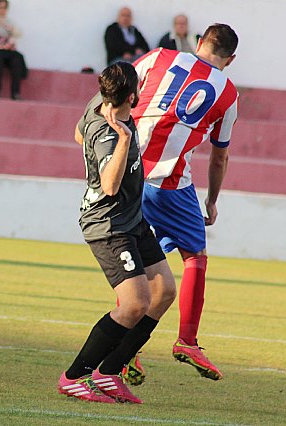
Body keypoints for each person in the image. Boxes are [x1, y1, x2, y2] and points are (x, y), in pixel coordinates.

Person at [58, 62, 176, 404]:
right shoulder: (113, 133)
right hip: (108, 226)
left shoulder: (100, 100)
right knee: (135, 303)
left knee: (164, 291)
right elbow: (109, 186)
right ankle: (74, 377)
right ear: (133, 95)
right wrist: (123, 138)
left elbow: (79, 134)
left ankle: (109, 372)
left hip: (132, 219)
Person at [131, 23, 239, 381]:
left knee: (146, 265)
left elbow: (114, 93)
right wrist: (211, 201)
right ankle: (187, 341)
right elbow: (219, 156)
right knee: (195, 255)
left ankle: (127, 349)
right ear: (231, 58)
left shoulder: (157, 57)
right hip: (169, 183)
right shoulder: (227, 92)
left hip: (125, 174)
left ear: (198, 43)